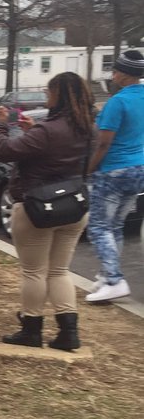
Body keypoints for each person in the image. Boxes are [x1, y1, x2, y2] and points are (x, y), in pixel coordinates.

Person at [0, 72, 96, 351]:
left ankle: (31, 330)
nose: (47, 96)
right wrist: (33, 131)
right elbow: (57, 153)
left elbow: (3, 150)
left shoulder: (47, 131)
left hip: (37, 208)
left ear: (59, 94)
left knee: (33, 272)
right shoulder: (87, 129)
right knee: (59, 270)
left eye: (49, 91)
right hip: (74, 206)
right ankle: (68, 332)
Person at [84, 48, 144, 303]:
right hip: (139, 169)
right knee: (116, 226)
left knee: (98, 227)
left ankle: (114, 280)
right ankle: (106, 276)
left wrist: (90, 169)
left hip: (114, 170)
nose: (113, 75)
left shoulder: (117, 102)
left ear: (125, 74)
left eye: (116, 71)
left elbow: (103, 143)